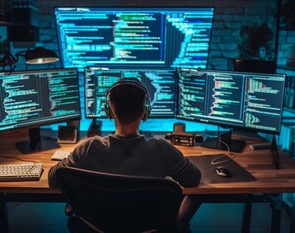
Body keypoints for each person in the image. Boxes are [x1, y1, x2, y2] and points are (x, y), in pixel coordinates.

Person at [48, 78, 201, 232]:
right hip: (150, 228)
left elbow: (53, 178)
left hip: (98, 227)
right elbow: (194, 178)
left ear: (108, 112)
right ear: (145, 112)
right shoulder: (162, 150)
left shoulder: (88, 148)